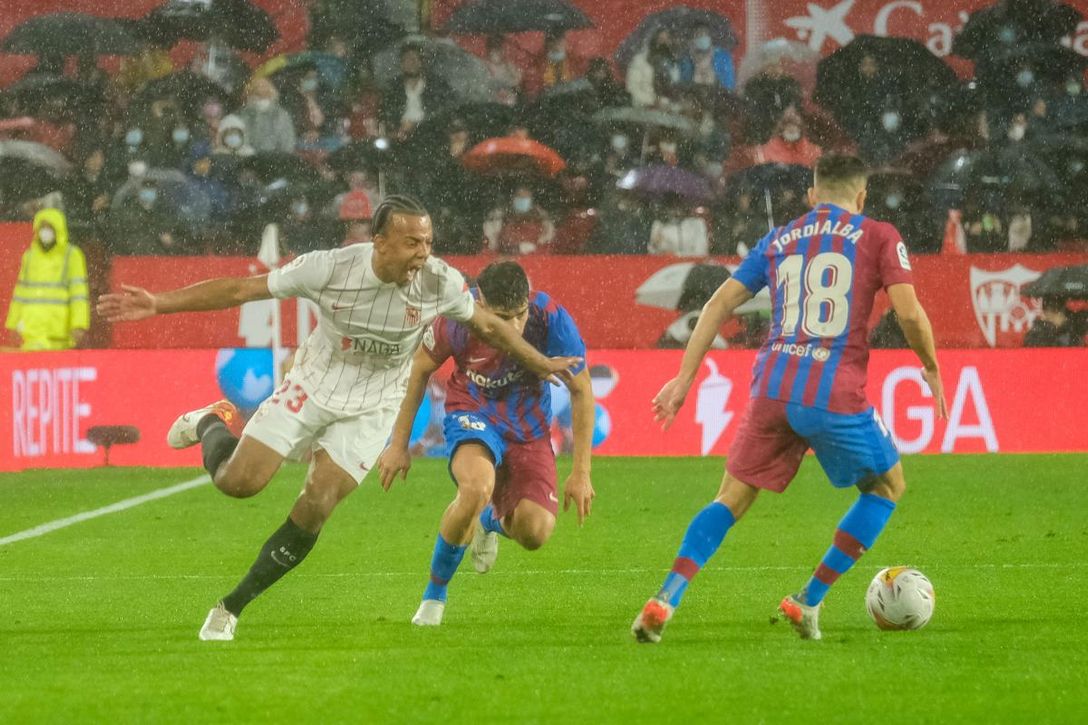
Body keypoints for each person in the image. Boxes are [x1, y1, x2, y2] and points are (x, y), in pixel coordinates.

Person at [96, 196, 580, 641]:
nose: (423, 253)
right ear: (380, 241)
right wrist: (161, 303)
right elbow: (241, 290)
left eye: (428, 242)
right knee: (238, 482)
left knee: (319, 499)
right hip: (312, 387)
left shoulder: (440, 282)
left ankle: (232, 606)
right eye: (412, 242)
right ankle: (212, 420)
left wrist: (540, 363)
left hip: (372, 408)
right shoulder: (328, 268)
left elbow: (490, 324)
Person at [630, 154, 948, 643]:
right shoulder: (880, 234)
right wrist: (928, 364)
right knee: (887, 487)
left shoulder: (780, 237)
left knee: (730, 498)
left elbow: (717, 304)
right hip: (832, 390)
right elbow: (908, 313)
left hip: (772, 385)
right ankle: (807, 601)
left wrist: (683, 379)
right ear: (862, 198)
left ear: (812, 195)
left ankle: (665, 597)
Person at [377, 260, 595, 626]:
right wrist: (398, 443)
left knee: (535, 533)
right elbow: (420, 369)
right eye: (501, 317)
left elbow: (581, 390)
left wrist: (582, 471)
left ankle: (489, 523)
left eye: (519, 315)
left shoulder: (551, 317)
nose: (512, 328)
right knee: (476, 487)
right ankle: (434, 596)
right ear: (480, 303)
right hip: (473, 411)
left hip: (529, 430)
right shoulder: (457, 317)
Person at [5, 208, 89, 351]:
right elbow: (20, 293)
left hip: (58, 330)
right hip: (31, 328)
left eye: (49, 227)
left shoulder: (72, 255)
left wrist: (79, 324)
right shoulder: (30, 256)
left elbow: (78, 294)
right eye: (42, 227)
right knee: (32, 370)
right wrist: (13, 324)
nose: (45, 231)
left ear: (58, 229)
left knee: (54, 370)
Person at [237, 78, 297, 154]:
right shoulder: (243, 114)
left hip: (274, 160)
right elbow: (239, 140)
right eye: (256, 94)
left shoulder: (280, 115)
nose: (259, 99)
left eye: (264, 95)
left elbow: (287, 145)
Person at [679, 24, 736, 90]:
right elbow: (684, 82)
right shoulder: (686, 59)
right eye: (698, 35)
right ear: (693, 39)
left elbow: (729, 83)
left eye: (705, 34)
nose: (702, 37)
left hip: (716, 93)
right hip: (695, 94)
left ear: (710, 37)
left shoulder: (723, 56)